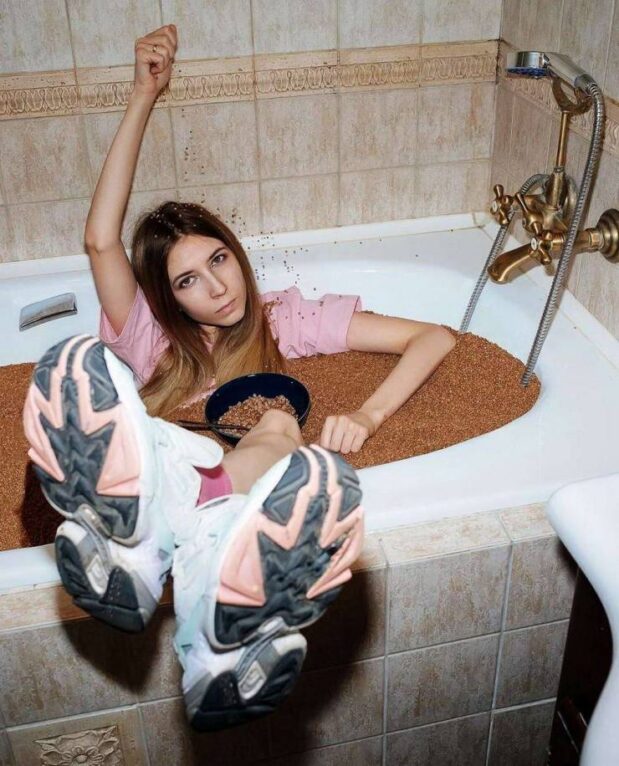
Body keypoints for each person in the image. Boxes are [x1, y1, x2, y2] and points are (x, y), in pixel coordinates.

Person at [22, 25, 456, 732]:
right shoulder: (149, 337)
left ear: (236, 252)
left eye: (218, 260)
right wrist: (142, 95)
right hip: (155, 462)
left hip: (213, 488)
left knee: (279, 422)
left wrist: (368, 415)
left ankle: (161, 561)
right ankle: (162, 545)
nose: (217, 287)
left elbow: (433, 338)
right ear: (166, 298)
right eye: (187, 280)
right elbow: (101, 239)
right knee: (101, 383)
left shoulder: (285, 319)